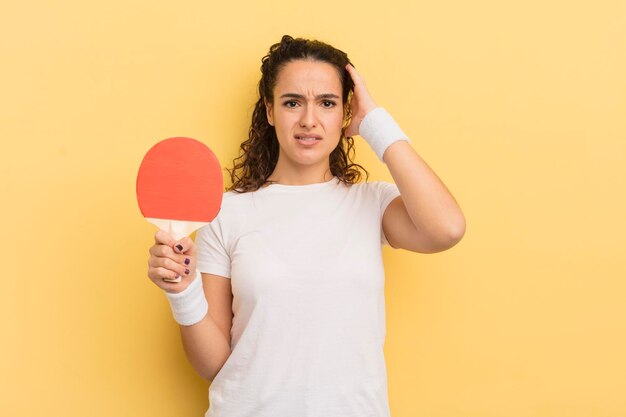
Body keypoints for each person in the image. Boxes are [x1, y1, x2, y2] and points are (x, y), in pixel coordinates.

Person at [146, 35, 465, 417]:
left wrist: (375, 124)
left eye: (327, 103)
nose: (309, 120)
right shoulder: (225, 213)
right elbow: (213, 364)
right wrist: (183, 292)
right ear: (269, 110)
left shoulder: (371, 204)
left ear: (345, 114)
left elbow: (447, 228)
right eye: (292, 102)